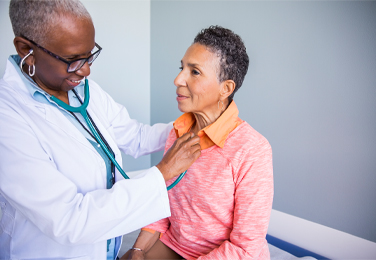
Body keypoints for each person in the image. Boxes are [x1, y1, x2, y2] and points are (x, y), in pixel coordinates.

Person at [0, 0, 201, 259]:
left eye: (89, 55)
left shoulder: (85, 91)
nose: (86, 70)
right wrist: (162, 174)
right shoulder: (8, 117)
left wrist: (189, 127)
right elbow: (68, 221)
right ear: (26, 49)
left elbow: (136, 137)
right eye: (73, 60)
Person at [124, 26, 274, 260]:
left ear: (226, 89)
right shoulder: (178, 131)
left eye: (194, 72)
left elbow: (246, 248)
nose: (178, 79)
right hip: (175, 245)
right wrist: (138, 250)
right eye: (181, 68)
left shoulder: (252, 149)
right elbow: (162, 204)